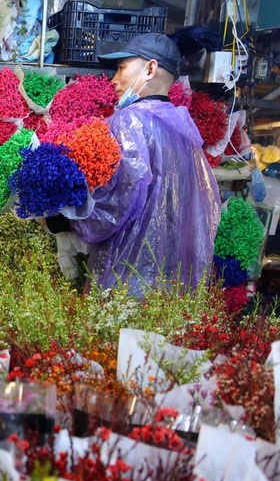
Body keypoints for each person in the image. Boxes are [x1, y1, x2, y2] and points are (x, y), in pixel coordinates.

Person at [66, 33, 221, 295]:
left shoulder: (128, 121)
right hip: (174, 283)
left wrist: (68, 216)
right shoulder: (184, 130)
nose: (114, 80)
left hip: (127, 278)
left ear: (150, 69)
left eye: (121, 68)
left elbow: (115, 206)